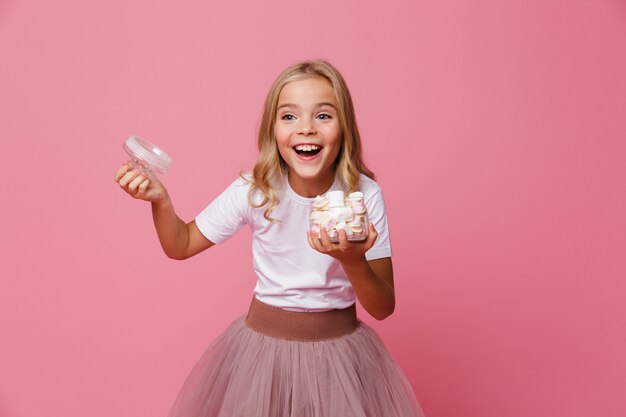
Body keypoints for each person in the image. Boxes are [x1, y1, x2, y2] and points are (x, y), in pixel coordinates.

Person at [113, 59, 425, 417]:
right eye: (289, 116)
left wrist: (352, 261)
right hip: (263, 358)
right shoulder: (255, 191)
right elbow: (180, 244)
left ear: (345, 129)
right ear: (272, 130)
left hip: (342, 361)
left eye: (323, 115)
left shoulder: (364, 195)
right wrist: (160, 202)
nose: (306, 128)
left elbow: (384, 307)